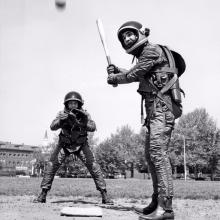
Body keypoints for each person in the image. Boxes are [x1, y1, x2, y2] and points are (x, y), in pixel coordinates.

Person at [107, 21, 185, 220]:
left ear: (141, 34)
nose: (127, 39)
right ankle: (156, 201)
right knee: (151, 157)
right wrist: (117, 71)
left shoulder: (151, 50)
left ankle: (166, 208)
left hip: (162, 109)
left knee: (158, 155)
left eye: (130, 34)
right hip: (154, 112)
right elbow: (141, 75)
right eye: (124, 37)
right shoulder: (146, 57)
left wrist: (115, 78)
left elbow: (134, 74)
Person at [33, 91, 113, 205]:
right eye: (71, 103)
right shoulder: (61, 114)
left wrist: (84, 122)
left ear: (79, 104)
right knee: (51, 166)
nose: (73, 105)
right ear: (67, 104)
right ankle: (43, 195)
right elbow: (52, 127)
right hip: (64, 145)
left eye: (75, 103)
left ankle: (105, 195)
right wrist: (61, 120)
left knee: (94, 166)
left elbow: (93, 127)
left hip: (81, 145)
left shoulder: (85, 114)